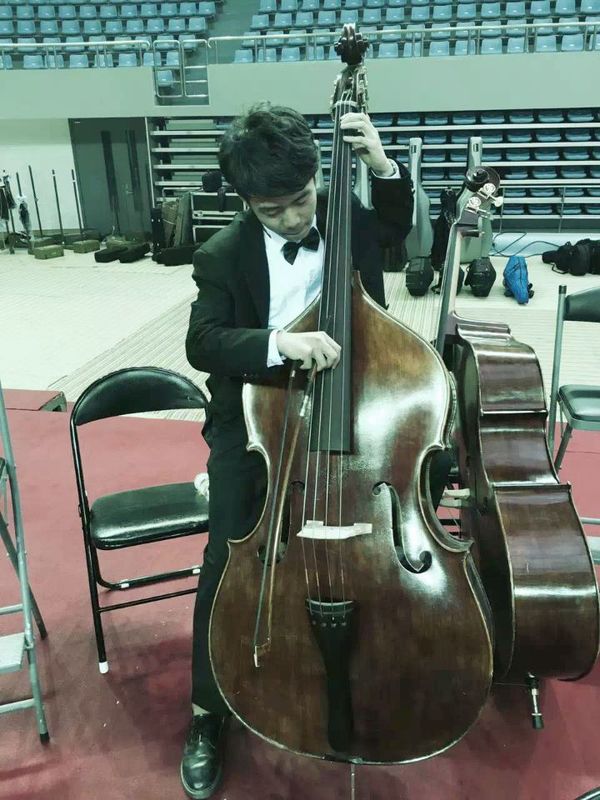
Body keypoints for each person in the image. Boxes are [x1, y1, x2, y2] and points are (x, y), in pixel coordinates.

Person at [182, 102, 415, 800]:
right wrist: (279, 343)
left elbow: (399, 228)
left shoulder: (343, 216)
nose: (291, 219)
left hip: (354, 402)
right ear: (245, 201)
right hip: (257, 416)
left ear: (318, 178)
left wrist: (381, 164)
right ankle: (206, 712)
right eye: (272, 210)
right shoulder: (222, 254)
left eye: (302, 199)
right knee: (227, 552)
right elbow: (202, 342)